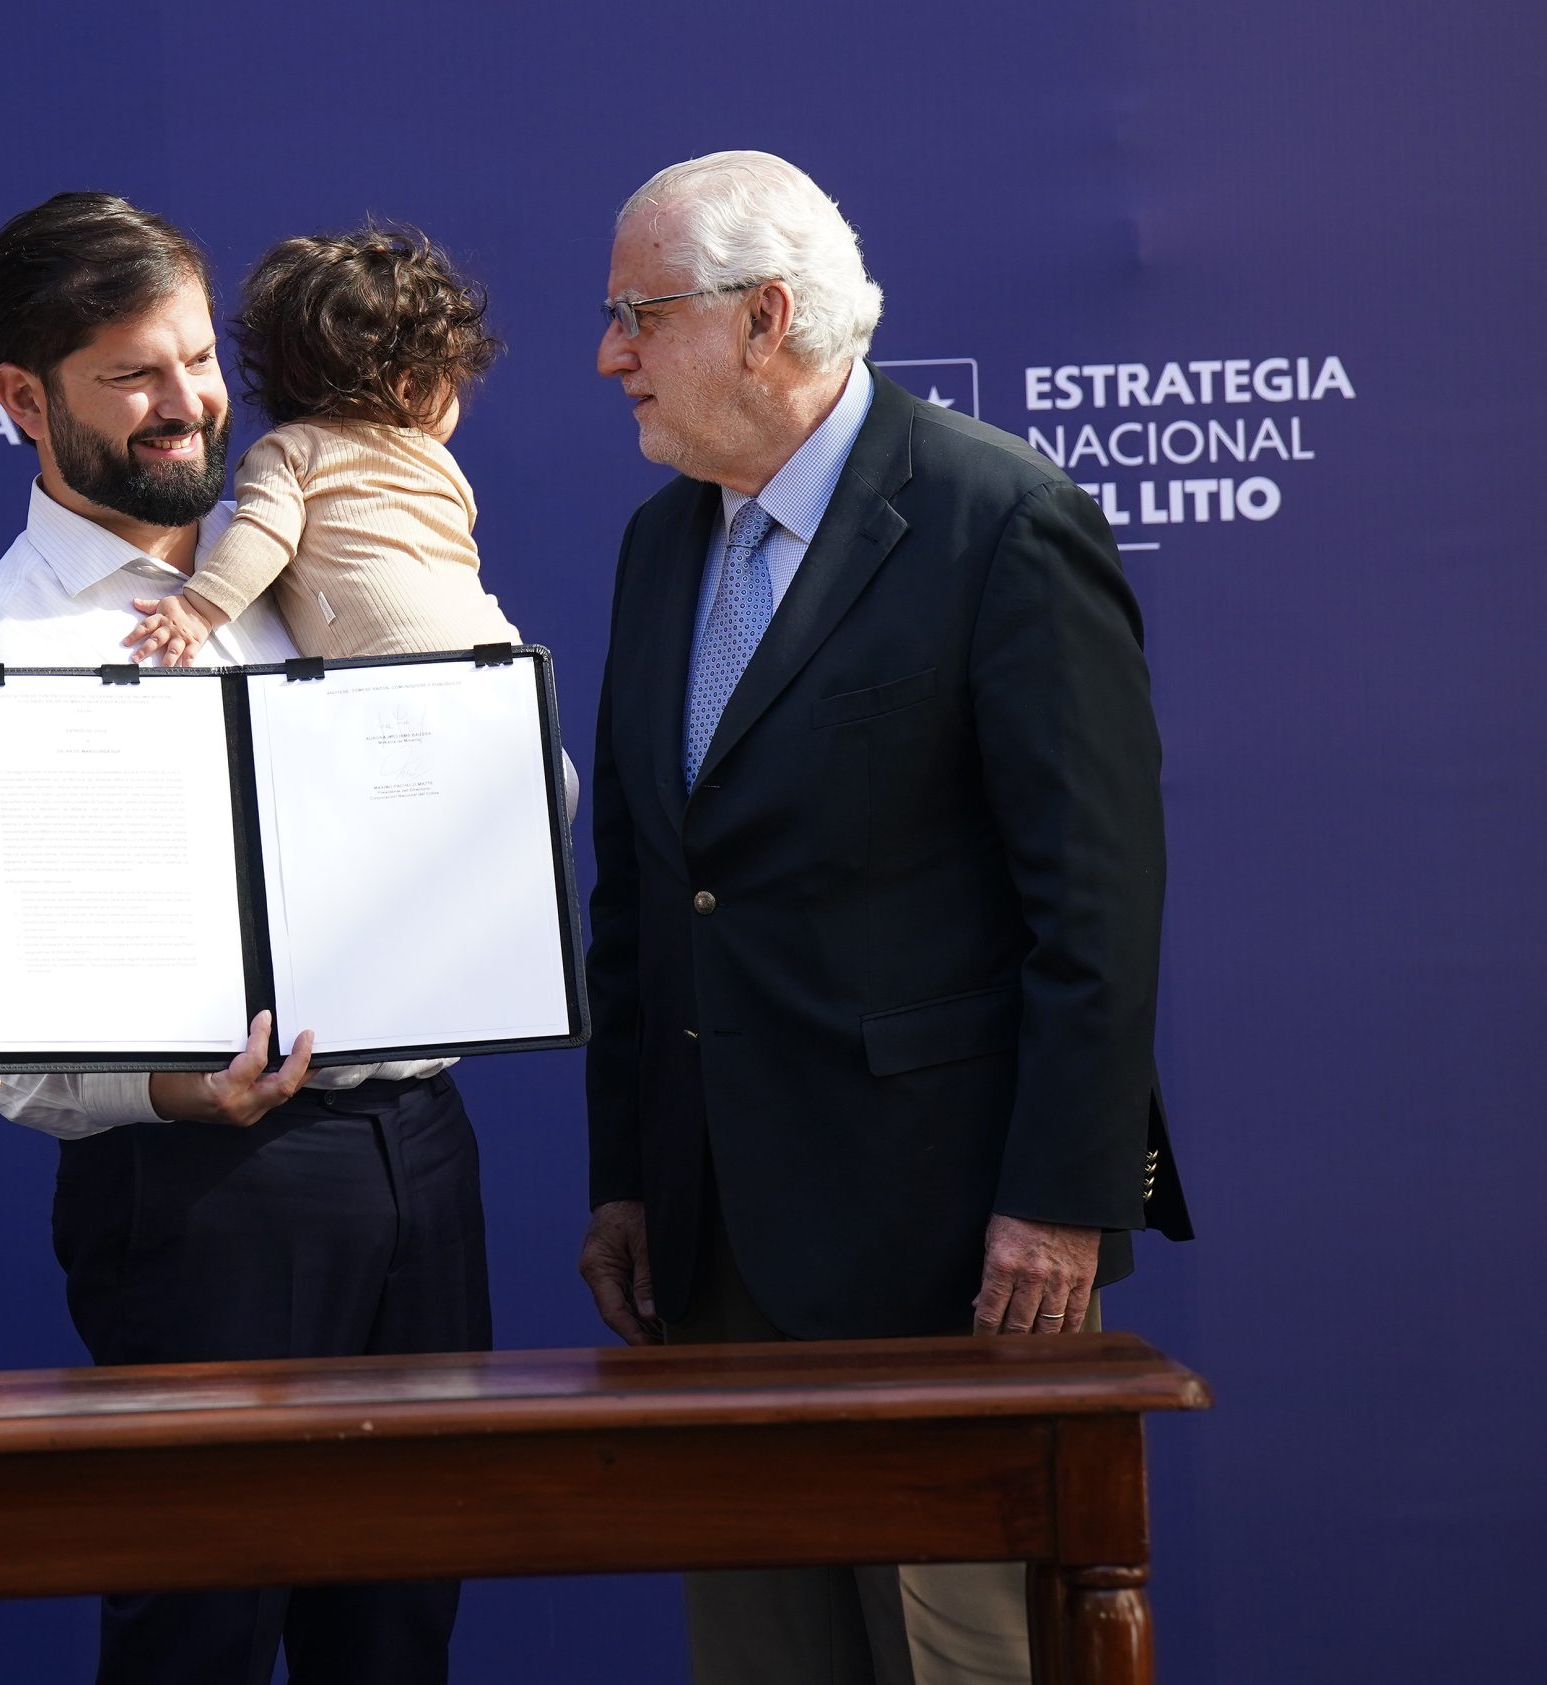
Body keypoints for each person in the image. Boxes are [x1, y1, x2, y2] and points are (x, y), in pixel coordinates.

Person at [576, 153, 1193, 1684]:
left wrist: (1066, 1200)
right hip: (713, 1264)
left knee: (956, 1656)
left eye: (638, 316)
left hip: (949, 1256)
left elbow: (1097, 905)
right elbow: (648, 897)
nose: (611, 356)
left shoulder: (1000, 520)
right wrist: (629, 1181)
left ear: (765, 319)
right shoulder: (664, 543)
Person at [0, 193, 491, 1685]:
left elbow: (500, 817)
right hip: (200, 1192)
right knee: (198, 1638)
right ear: (22, 400)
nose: (189, 405)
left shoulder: (329, 540)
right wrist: (174, 1089)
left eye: (201, 358)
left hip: (420, 1149)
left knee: (404, 1632)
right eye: (134, 375)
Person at [118, 224, 517, 667]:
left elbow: (265, 533)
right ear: (409, 389)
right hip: (499, 656)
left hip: (392, 666)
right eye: (453, 385)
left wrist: (197, 610)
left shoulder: (289, 450)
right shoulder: (438, 466)